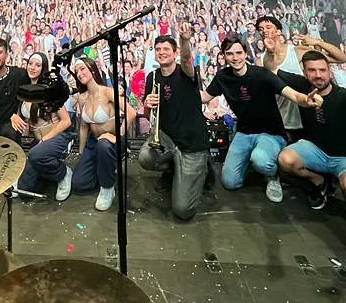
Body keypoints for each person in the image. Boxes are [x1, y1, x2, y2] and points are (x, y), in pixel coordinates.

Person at [200, 36, 323, 203]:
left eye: (239, 53)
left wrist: (305, 100)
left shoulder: (262, 74)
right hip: (243, 132)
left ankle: (273, 176)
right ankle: (253, 162)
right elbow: (204, 97)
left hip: (270, 132)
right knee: (230, 182)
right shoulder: (222, 77)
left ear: (245, 54)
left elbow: (292, 94)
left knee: (260, 160)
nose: (235, 58)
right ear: (224, 56)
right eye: (230, 54)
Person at [276, 49, 346, 220]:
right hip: (316, 150)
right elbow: (272, 69)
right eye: (312, 70)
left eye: (322, 70)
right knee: (285, 159)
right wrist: (272, 49)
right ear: (305, 73)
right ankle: (319, 181)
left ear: (330, 71)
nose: (318, 75)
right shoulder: (302, 86)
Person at [139, 24, 210, 221]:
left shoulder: (186, 72)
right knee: (145, 157)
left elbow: (187, 59)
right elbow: (147, 114)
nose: (161, 52)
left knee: (183, 210)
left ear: (175, 52)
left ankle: (202, 170)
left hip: (191, 143)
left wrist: (185, 40)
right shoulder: (152, 76)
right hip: (167, 138)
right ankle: (172, 169)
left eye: (166, 49)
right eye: (158, 49)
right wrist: (146, 105)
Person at [258, 15, 346, 136]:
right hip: (280, 119)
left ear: (279, 31)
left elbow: (341, 58)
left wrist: (318, 42)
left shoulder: (297, 51)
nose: (264, 31)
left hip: (306, 116)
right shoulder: (260, 60)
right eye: (261, 29)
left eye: (268, 27)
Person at [71, 56, 136, 211]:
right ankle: (105, 170)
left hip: (112, 143)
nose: (79, 73)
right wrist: (81, 153)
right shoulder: (82, 98)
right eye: (76, 71)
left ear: (92, 69)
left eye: (82, 69)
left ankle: (107, 188)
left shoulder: (108, 92)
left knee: (104, 145)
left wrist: (117, 137)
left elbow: (131, 113)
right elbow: (84, 127)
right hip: (93, 143)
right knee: (79, 184)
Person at [14, 52, 74, 200]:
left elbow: (66, 121)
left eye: (37, 65)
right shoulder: (25, 90)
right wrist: (13, 116)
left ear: (43, 68)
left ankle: (63, 173)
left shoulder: (50, 89)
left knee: (35, 155)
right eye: (30, 64)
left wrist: (46, 138)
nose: (32, 67)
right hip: (38, 142)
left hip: (57, 137)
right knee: (24, 190)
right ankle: (45, 172)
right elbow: (24, 120)